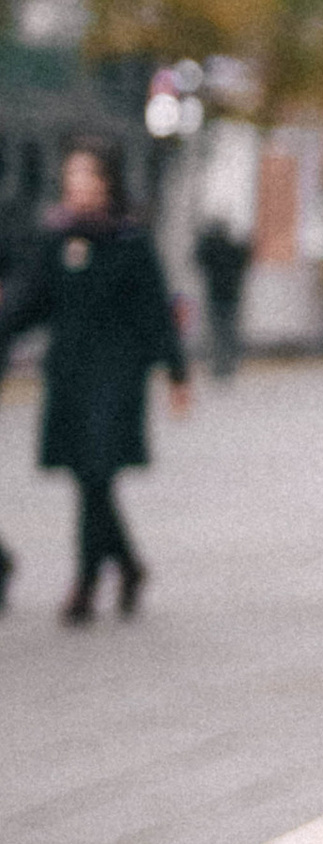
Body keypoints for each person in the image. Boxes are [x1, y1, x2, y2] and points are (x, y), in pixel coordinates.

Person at [0, 143, 191, 623]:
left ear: (107, 182)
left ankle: (86, 582)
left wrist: (176, 371)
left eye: (86, 175)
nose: (77, 185)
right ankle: (127, 564)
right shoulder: (58, 240)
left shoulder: (130, 241)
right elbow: (29, 304)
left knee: (96, 472)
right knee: (89, 478)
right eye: (71, 176)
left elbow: (155, 311)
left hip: (118, 374)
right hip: (69, 372)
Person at [192, 214, 252, 381]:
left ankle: (221, 366)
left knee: (219, 333)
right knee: (227, 333)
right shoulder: (231, 249)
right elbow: (246, 256)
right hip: (230, 297)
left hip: (218, 297)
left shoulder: (213, 249)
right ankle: (227, 366)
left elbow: (198, 258)